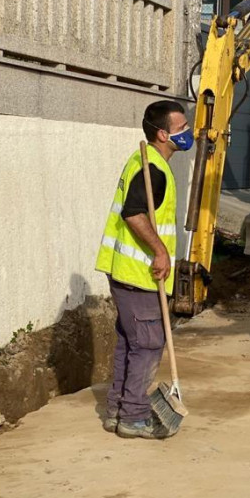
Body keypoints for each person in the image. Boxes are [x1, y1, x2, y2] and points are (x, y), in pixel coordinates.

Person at [95, 100, 194, 439]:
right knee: (149, 345)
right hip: (140, 276)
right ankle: (134, 417)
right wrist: (161, 251)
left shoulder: (145, 161)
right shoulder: (151, 168)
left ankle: (117, 411)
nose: (188, 132)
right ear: (164, 133)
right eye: (182, 127)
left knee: (130, 342)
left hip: (125, 271)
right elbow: (134, 213)